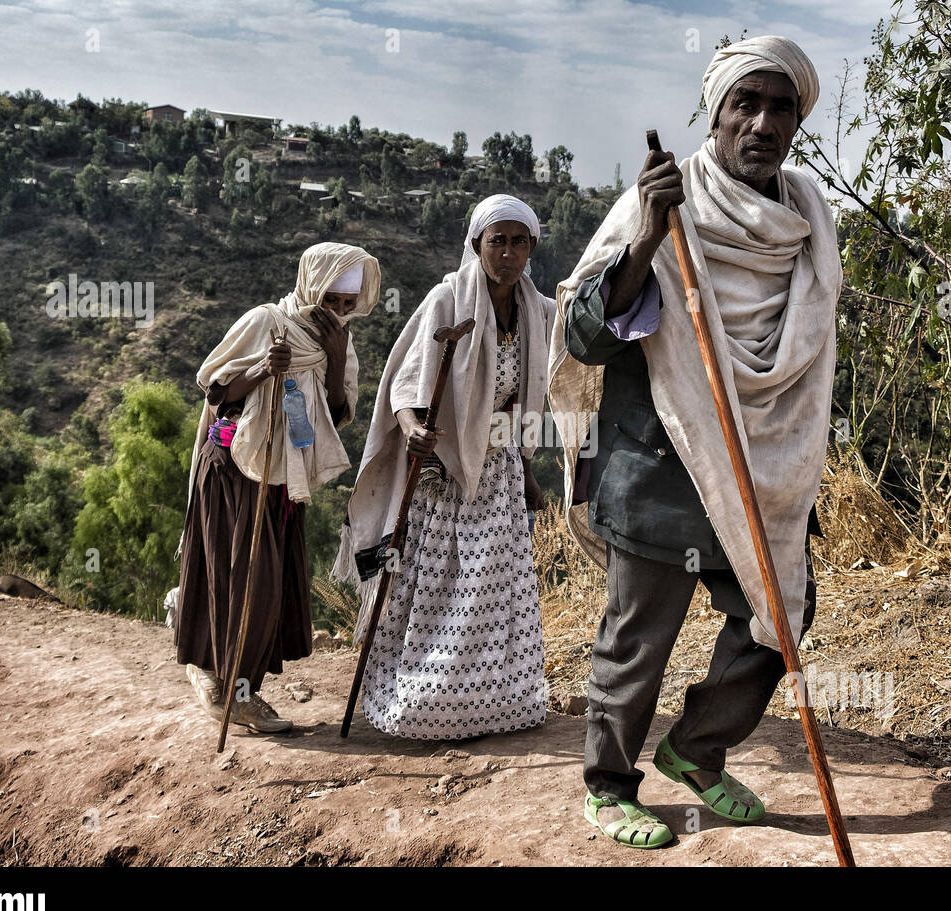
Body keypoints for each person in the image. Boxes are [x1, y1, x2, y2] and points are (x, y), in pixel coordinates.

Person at [549, 36, 838, 848]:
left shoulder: (808, 216)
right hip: (662, 470)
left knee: (780, 616)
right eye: (745, 104)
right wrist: (646, 235)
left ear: (797, 121)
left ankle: (696, 750)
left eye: (781, 107)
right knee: (640, 638)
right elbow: (583, 337)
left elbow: (805, 356)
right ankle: (608, 786)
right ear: (715, 115)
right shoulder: (664, 203)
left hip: (762, 468)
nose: (762, 122)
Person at [333, 195, 551, 740]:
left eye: (518, 241)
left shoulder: (537, 310)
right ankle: (425, 699)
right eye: (496, 240)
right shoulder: (447, 299)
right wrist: (411, 427)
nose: (507, 252)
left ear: (531, 248)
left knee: (493, 585)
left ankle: (498, 701)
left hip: (498, 467)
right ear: (476, 244)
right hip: (447, 466)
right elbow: (405, 382)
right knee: (439, 582)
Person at [175, 242, 381, 732]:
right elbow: (216, 390)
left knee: (266, 585)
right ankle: (228, 686)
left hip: (285, 476)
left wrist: (332, 355)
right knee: (241, 578)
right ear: (312, 286)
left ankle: (239, 687)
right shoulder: (265, 321)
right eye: (332, 301)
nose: (338, 313)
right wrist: (262, 368)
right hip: (234, 472)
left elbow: (336, 414)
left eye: (348, 305)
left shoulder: (340, 343)